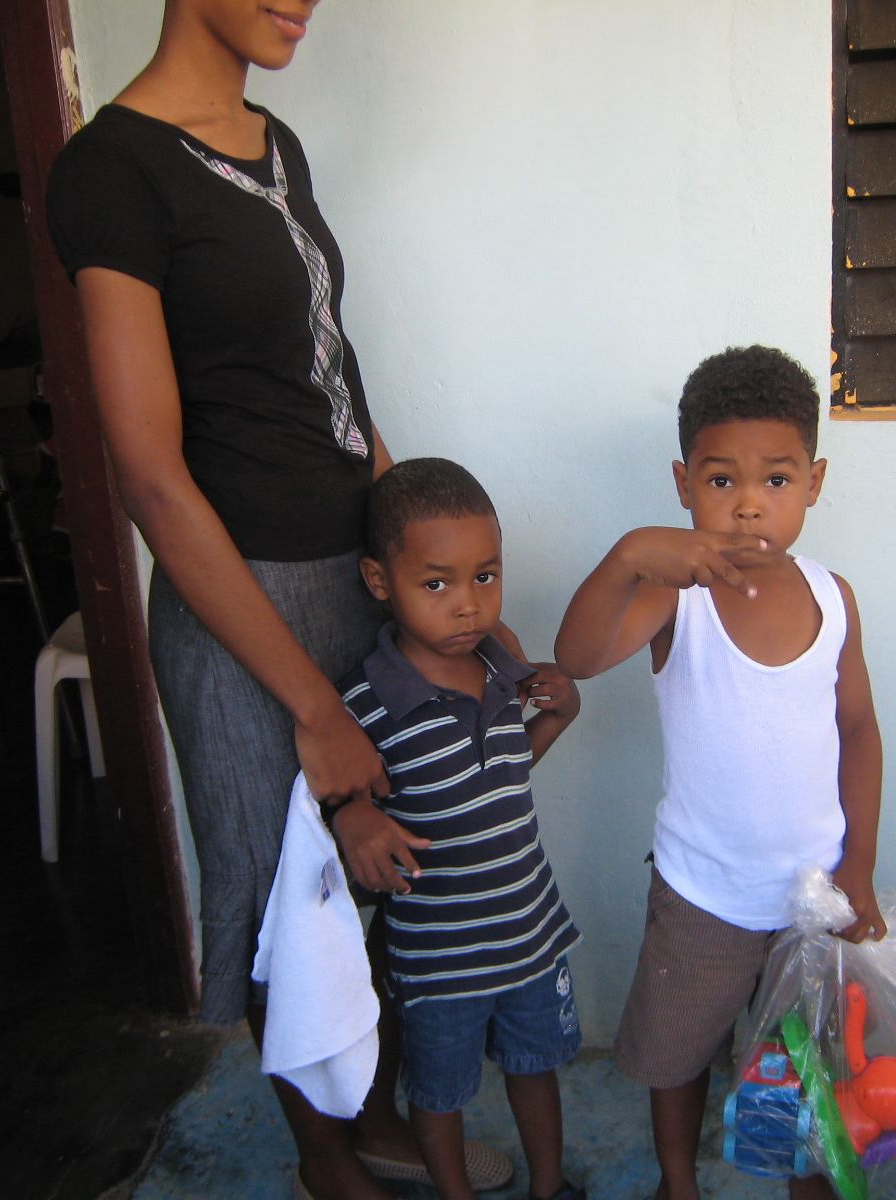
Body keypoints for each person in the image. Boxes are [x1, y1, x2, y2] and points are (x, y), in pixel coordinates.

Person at [44, 3, 512, 1196]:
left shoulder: (273, 140)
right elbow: (151, 477)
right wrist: (313, 704)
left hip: (352, 568)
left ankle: (378, 1115)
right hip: (241, 602)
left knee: (385, 860)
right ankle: (325, 1159)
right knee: (280, 893)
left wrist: (426, 574)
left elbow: (330, 377)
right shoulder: (111, 170)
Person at [553, 345, 886, 1200]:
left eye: (775, 479)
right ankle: (678, 1181)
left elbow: (857, 732)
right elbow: (577, 658)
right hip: (701, 892)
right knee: (678, 1056)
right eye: (719, 480)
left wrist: (859, 865)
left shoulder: (833, 598)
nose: (747, 505)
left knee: (803, 1068)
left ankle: (805, 1184)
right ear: (682, 484)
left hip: (811, 897)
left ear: (813, 482)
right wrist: (628, 556)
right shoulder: (676, 596)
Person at [333, 458, 585, 1200]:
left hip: (528, 933)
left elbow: (501, 776)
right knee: (438, 1096)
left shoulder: (501, 668)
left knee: (535, 1071)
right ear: (380, 581)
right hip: (438, 957)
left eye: (485, 576)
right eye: (436, 584)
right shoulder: (366, 700)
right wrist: (351, 812)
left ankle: (548, 1188)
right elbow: (334, 795)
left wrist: (557, 717)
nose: (468, 605)